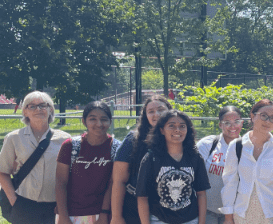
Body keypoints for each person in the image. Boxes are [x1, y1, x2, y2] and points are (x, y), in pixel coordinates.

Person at [0, 91, 71, 224]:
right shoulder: (13, 138)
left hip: (55, 206)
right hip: (24, 204)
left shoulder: (66, 139)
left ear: (50, 109)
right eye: (31, 106)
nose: (38, 109)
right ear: (25, 112)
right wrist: (14, 200)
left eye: (43, 105)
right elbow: (3, 171)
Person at [220, 100, 273, 224]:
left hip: (272, 215)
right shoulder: (236, 146)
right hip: (242, 216)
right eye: (263, 116)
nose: (268, 121)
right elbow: (230, 183)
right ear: (252, 116)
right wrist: (228, 217)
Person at [136, 109, 210, 224]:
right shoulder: (151, 158)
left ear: (187, 130)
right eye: (171, 126)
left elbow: (201, 194)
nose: (177, 130)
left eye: (182, 126)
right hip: (158, 219)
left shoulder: (195, 157)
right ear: (162, 130)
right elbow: (142, 197)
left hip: (190, 219)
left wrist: (202, 222)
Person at [55, 102, 121, 224]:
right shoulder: (70, 146)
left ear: (110, 122)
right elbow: (60, 182)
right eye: (92, 119)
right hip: (71, 214)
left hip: (102, 214)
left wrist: (104, 214)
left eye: (104, 119)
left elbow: (113, 183)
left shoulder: (117, 148)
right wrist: (63, 216)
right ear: (84, 121)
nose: (99, 124)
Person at [110, 95, 172, 224]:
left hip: (168, 207)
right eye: (151, 111)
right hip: (133, 207)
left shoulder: (179, 139)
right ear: (145, 116)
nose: (157, 114)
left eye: (161, 109)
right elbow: (119, 181)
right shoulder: (133, 140)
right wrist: (116, 217)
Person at [197, 106, 245, 224]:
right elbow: (194, 175)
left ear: (242, 123)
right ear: (220, 125)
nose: (233, 126)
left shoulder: (247, 148)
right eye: (227, 122)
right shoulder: (207, 145)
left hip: (234, 213)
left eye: (237, 122)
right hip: (207, 211)